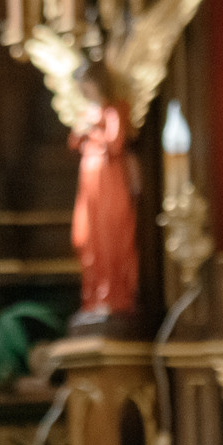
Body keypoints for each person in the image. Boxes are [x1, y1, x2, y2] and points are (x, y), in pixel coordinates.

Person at [71, 61, 140, 324]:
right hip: (88, 177)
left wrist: (93, 130)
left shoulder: (114, 109)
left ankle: (113, 296)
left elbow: (116, 142)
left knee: (109, 234)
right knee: (86, 236)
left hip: (109, 177)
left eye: (86, 84)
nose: (83, 90)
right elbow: (74, 141)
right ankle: (93, 296)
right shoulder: (86, 111)